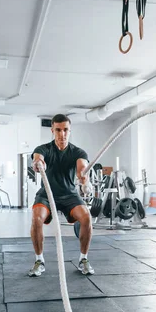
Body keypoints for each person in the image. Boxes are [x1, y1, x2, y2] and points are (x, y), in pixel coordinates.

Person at [28, 114, 94, 277]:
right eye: (58, 130)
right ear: (52, 130)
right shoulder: (44, 148)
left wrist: (83, 175)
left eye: (65, 130)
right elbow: (38, 158)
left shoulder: (77, 151)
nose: (62, 134)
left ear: (69, 131)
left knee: (86, 217)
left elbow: (81, 166)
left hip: (69, 195)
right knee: (37, 218)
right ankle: (39, 261)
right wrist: (38, 164)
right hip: (47, 194)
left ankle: (83, 259)